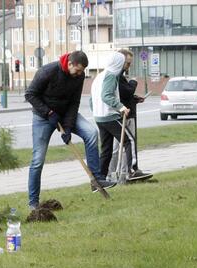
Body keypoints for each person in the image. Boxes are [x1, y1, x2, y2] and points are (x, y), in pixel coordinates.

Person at [25, 50, 113, 210]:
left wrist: (67, 127)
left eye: (82, 71)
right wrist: (48, 113)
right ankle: (33, 203)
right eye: (78, 70)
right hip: (43, 117)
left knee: (91, 133)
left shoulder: (78, 77)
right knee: (37, 160)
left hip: (66, 113)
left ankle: (96, 179)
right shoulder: (48, 71)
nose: (80, 74)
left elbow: (74, 102)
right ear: (70, 63)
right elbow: (30, 94)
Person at [89, 52, 130, 181]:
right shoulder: (111, 76)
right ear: (118, 63)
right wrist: (121, 107)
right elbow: (106, 96)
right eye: (123, 62)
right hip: (109, 116)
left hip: (99, 117)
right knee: (129, 141)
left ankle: (100, 179)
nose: (124, 65)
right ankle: (131, 171)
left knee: (106, 149)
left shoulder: (99, 76)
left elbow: (92, 100)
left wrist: (96, 112)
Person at [115, 49, 152, 181]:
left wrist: (135, 99)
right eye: (127, 63)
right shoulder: (116, 76)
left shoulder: (120, 75)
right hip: (124, 115)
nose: (129, 67)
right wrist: (134, 82)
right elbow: (125, 92)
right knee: (127, 144)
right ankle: (130, 171)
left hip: (128, 113)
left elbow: (127, 95)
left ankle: (123, 172)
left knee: (121, 147)